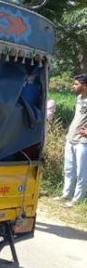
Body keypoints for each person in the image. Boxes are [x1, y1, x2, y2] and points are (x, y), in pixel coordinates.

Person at [60, 73, 87, 208]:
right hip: (71, 138)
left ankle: (77, 200)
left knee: (81, 172)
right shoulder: (79, 98)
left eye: (76, 84)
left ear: (84, 86)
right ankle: (66, 195)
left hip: (83, 142)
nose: (73, 86)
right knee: (69, 169)